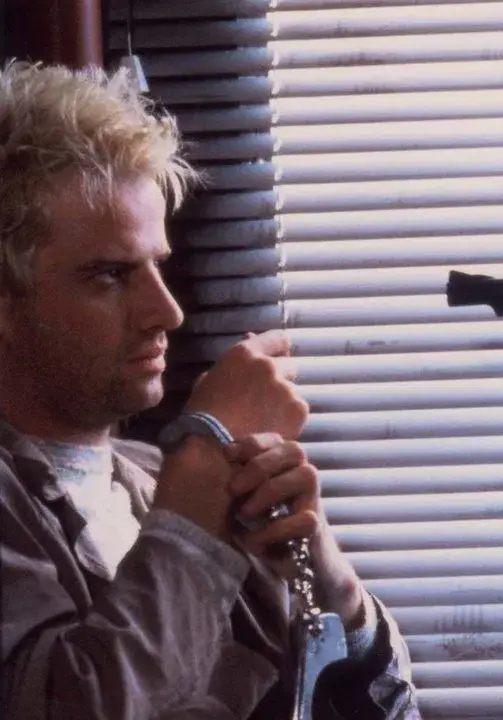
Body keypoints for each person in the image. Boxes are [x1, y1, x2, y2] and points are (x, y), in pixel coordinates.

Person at [0, 62, 420, 718]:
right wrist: (199, 475)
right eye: (110, 276)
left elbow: (392, 711)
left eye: (157, 267)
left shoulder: (158, 481)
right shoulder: (186, 487)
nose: (167, 312)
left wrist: (326, 574)